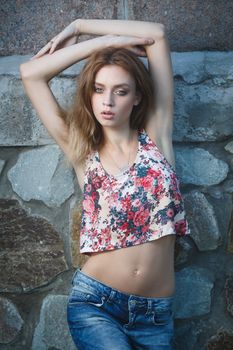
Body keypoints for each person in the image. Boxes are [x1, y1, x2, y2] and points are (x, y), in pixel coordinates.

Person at [20, 19, 189, 350]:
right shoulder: (82, 149)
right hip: (97, 306)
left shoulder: (157, 134)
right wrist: (104, 43)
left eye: (120, 91)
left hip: (156, 316)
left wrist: (81, 25)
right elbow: (31, 74)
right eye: (99, 89)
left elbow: (156, 35)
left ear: (138, 97)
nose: (107, 101)